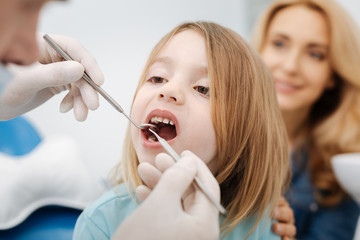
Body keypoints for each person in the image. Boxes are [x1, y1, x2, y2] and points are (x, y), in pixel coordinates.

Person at [73, 21, 291, 240]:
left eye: (203, 88)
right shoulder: (101, 221)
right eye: (157, 78)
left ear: (246, 130)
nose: (168, 90)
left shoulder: (264, 226)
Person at [251, 0, 360, 239]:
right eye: (279, 44)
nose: (290, 66)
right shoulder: (212, 130)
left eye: (315, 54)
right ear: (258, 51)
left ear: (333, 74)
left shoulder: (336, 169)